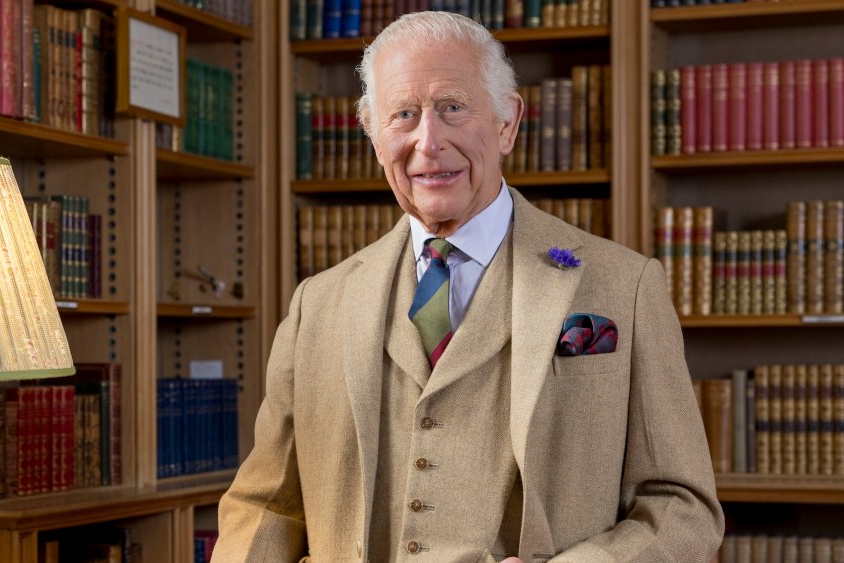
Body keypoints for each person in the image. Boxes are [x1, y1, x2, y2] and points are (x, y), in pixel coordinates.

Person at [213, 11, 723, 562]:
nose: (427, 142)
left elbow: (682, 507)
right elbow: (267, 505)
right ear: (375, 139)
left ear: (508, 124)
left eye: (452, 109)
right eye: (402, 116)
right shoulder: (317, 303)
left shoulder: (626, 285)